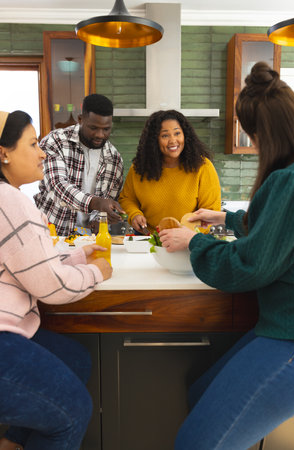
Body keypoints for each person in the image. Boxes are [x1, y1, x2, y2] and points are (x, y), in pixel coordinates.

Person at [159, 62, 294, 450]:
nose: (254, 146)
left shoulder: (290, 178)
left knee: (195, 443)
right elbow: (280, 230)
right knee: (200, 391)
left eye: (252, 137)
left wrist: (194, 242)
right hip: (282, 329)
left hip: (292, 338)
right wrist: (225, 217)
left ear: (264, 133)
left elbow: (249, 266)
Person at [0, 110, 112, 450]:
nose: (42, 152)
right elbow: (51, 287)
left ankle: (10, 441)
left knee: (75, 358)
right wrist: (97, 272)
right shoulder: (10, 200)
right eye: (33, 144)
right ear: (3, 153)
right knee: (73, 412)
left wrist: (77, 257)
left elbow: (24, 263)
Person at [34, 93, 124, 236]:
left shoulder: (114, 159)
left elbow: (110, 199)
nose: (100, 134)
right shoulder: (56, 141)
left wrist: (101, 219)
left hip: (90, 240)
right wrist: (95, 203)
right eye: (93, 128)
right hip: (50, 234)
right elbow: (57, 187)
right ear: (80, 119)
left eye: (106, 129)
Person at [118, 109, 221, 234]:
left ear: (185, 136)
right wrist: (134, 214)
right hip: (149, 238)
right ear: (154, 140)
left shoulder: (203, 167)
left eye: (177, 133)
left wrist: (186, 234)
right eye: (165, 135)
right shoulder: (139, 168)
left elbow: (211, 211)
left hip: (190, 239)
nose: (173, 140)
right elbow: (127, 199)